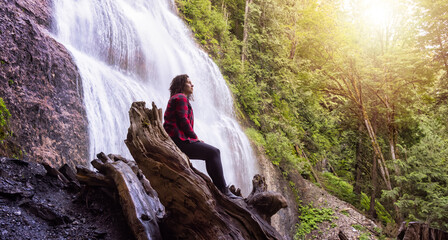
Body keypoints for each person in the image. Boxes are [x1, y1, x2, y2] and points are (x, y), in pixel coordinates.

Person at [163, 74, 241, 199]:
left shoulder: (178, 98)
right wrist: (194, 137)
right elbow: (183, 120)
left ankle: (222, 190)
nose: (192, 84)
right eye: (189, 82)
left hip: (175, 140)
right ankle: (223, 191)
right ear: (181, 84)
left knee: (211, 153)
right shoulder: (180, 97)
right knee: (213, 152)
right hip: (178, 141)